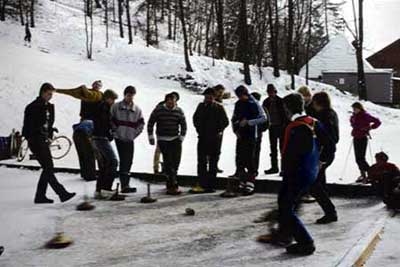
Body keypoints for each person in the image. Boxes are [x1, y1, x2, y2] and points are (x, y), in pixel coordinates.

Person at [257, 93, 321, 255]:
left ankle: (306, 242)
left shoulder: (294, 127)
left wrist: (288, 175)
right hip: (310, 172)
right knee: (285, 203)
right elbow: (329, 143)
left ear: (287, 108)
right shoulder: (313, 122)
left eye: (285, 107)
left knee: (286, 207)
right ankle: (284, 234)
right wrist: (320, 162)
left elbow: (289, 155)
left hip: (297, 174)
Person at [22, 83, 76, 204]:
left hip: (43, 140)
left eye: (51, 94)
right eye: (49, 94)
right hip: (36, 141)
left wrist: (50, 133)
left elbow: (48, 124)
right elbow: (28, 127)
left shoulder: (49, 107)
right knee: (48, 167)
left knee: (48, 168)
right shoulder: (33, 107)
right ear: (42, 92)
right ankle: (61, 193)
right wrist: (38, 134)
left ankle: (41, 196)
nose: (50, 96)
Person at [56, 81, 103, 181]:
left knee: (83, 152)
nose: (97, 87)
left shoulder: (85, 94)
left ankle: (85, 173)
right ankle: (90, 175)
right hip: (89, 127)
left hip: (81, 126)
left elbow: (71, 92)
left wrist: (58, 90)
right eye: (96, 85)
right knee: (90, 152)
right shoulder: (99, 95)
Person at [190, 88, 229, 193]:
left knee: (213, 162)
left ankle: (211, 185)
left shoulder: (219, 107)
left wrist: (218, 131)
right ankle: (202, 183)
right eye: (206, 96)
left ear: (214, 97)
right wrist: (199, 130)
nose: (208, 98)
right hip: (202, 138)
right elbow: (195, 119)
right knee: (201, 161)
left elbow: (225, 122)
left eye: (210, 96)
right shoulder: (201, 106)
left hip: (215, 139)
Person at [308, 92, 339, 224]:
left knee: (314, 184)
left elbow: (329, 139)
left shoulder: (324, 116)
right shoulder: (331, 113)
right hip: (325, 153)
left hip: (323, 154)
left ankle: (330, 211)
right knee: (319, 182)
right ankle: (328, 210)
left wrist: (322, 158)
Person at [148, 93, 187, 195]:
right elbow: (151, 122)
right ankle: (173, 185)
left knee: (176, 162)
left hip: (175, 139)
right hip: (163, 139)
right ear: (166, 101)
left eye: (173, 101)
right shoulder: (159, 110)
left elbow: (183, 124)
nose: (171, 103)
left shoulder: (179, 111)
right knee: (168, 162)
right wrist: (151, 136)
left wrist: (181, 137)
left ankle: (171, 182)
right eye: (169, 101)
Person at [232, 86, 267, 195]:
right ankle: (242, 181)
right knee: (240, 158)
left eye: (241, 96)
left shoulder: (254, 103)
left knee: (250, 159)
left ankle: (250, 182)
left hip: (251, 135)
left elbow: (263, 118)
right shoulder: (238, 104)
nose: (240, 98)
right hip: (241, 135)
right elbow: (234, 118)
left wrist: (249, 122)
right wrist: (236, 129)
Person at [111, 86, 145, 193]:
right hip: (119, 138)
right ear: (124, 95)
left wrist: (133, 134)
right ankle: (124, 185)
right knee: (122, 160)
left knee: (128, 161)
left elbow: (141, 124)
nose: (131, 98)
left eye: (132, 96)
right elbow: (110, 120)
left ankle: (125, 185)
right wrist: (115, 132)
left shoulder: (137, 109)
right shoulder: (116, 107)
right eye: (129, 95)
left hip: (129, 139)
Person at [91, 89, 120, 200]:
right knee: (113, 161)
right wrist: (109, 132)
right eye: (112, 99)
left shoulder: (100, 106)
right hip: (101, 138)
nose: (113, 102)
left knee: (104, 164)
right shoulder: (104, 107)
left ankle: (99, 190)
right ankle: (106, 189)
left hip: (96, 137)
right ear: (107, 98)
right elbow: (103, 123)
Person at [350, 102, 381, 182]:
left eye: (355, 108)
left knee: (361, 158)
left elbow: (377, 121)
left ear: (360, 108)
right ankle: (363, 175)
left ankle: (371, 173)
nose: (354, 110)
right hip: (356, 138)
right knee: (358, 158)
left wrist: (370, 127)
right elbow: (353, 123)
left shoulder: (365, 115)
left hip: (362, 138)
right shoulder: (353, 116)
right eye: (353, 109)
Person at [262, 84, 288, 175]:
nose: (271, 94)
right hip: (272, 127)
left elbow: (285, 115)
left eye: (272, 92)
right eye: (269, 92)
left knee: (282, 148)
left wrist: (285, 125)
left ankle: (284, 169)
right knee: (273, 148)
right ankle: (274, 167)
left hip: (281, 127)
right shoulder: (266, 102)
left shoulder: (281, 101)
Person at [152, 91, 180, 174]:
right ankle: (156, 168)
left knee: (167, 153)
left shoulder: (175, 107)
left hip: (171, 134)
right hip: (162, 133)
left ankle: (165, 168)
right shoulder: (161, 106)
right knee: (159, 150)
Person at [251, 92, 269, 175]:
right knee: (253, 151)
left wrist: (261, 130)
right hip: (251, 133)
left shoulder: (262, 109)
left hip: (257, 133)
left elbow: (267, 122)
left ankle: (254, 169)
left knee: (256, 151)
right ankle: (252, 169)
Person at [213, 84, 226, 173]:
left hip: (219, 129)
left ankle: (214, 165)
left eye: (222, 92)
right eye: (220, 92)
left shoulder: (220, 101)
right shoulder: (212, 101)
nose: (221, 94)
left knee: (217, 149)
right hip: (211, 129)